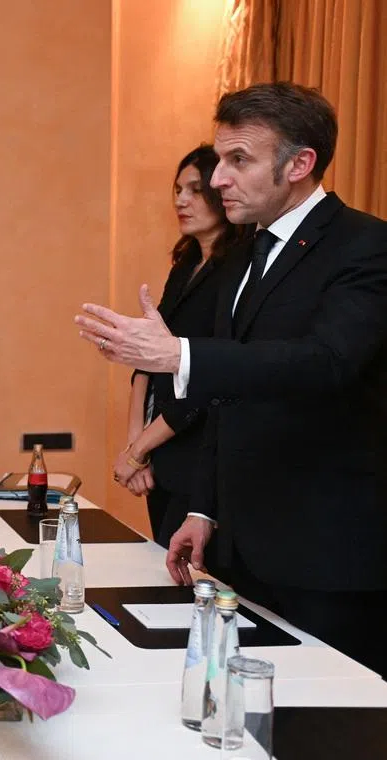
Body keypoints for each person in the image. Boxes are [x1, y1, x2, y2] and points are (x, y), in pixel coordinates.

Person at [76, 82, 387, 676]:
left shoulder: (366, 246)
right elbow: (229, 396)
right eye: (220, 160)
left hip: (326, 552)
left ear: (299, 165)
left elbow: (326, 363)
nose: (219, 179)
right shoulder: (243, 255)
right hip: (241, 544)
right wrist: (204, 510)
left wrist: (181, 356)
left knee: (325, 724)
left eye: (237, 160)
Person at [114, 145, 244, 547]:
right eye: (176, 190)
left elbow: (209, 378)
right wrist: (135, 444)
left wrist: (139, 450)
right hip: (161, 450)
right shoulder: (185, 265)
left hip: (200, 451)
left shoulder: (237, 270)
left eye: (193, 190)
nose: (180, 200)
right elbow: (147, 363)